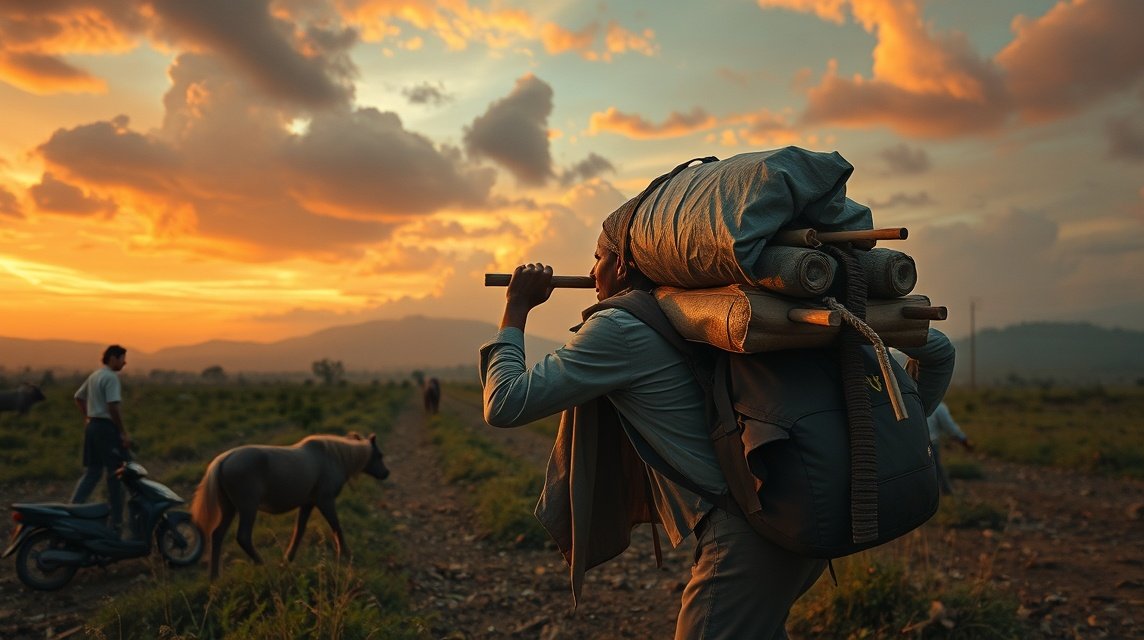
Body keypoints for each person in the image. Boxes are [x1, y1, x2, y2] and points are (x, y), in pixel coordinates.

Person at [481, 212, 959, 637]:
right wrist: (901, 426)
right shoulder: (714, 313)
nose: (592, 273)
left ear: (623, 265)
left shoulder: (621, 329)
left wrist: (516, 308)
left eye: (598, 258)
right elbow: (938, 351)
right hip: (800, 511)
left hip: (748, 536)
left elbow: (505, 403)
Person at [70, 344, 131, 535]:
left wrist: (88, 416)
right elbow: (113, 407)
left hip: (92, 427)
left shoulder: (95, 375)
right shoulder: (111, 378)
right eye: (122, 358)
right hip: (105, 428)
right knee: (116, 474)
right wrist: (122, 432)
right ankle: (116, 523)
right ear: (113, 358)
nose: (124, 362)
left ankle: (71, 510)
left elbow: (78, 397)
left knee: (93, 472)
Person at [927, 401, 973, 495]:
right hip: (930, 443)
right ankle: (946, 492)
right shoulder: (938, 406)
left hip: (913, 444)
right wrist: (963, 439)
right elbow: (950, 428)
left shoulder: (911, 402)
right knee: (936, 470)